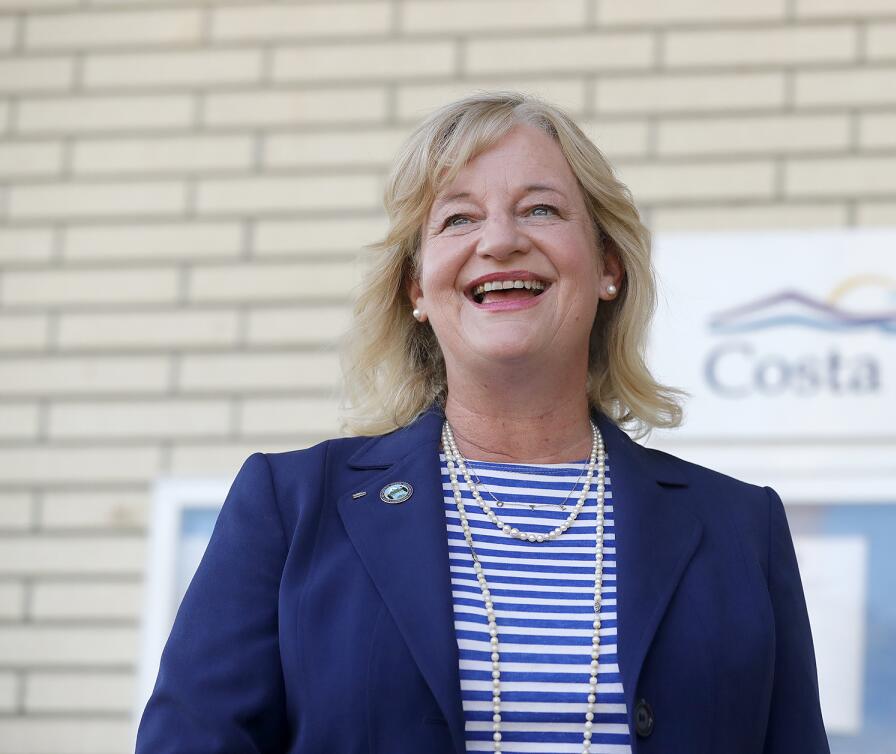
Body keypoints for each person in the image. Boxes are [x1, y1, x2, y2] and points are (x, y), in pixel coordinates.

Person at [135, 91, 829, 754]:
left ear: (608, 267)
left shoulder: (742, 530)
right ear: (417, 288)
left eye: (541, 210)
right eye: (458, 219)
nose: (499, 241)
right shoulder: (291, 508)